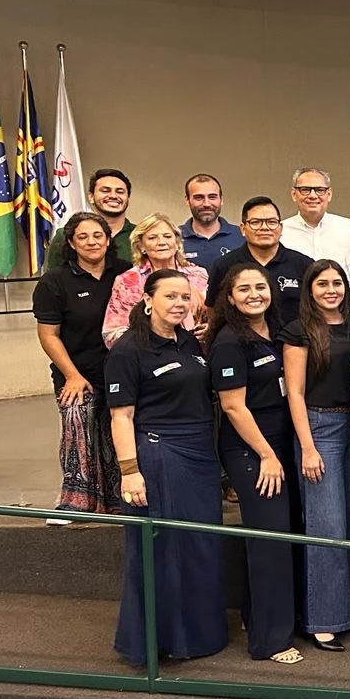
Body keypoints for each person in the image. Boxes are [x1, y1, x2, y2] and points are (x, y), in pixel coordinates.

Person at [105, 269, 226, 666]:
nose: (179, 303)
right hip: (160, 454)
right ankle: (158, 642)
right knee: (164, 550)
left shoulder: (187, 341)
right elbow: (121, 416)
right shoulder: (128, 350)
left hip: (200, 456)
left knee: (200, 546)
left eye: (185, 297)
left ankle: (198, 636)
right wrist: (130, 471)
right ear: (147, 300)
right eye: (170, 296)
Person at [206, 265, 301, 664]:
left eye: (260, 286)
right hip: (252, 451)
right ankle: (269, 641)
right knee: (270, 543)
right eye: (243, 289)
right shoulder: (230, 342)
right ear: (229, 297)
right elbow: (233, 407)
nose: (254, 294)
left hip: (279, 444)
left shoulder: (276, 330)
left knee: (280, 536)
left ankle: (256, 616)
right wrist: (266, 455)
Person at [281, 258, 350, 651]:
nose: (331, 290)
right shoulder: (299, 331)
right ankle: (324, 620)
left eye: (337, 283)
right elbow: (295, 393)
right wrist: (308, 447)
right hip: (319, 428)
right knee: (327, 527)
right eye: (322, 284)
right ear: (310, 290)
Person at [34, 213, 127, 517]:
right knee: (79, 425)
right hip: (76, 373)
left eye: (97, 235)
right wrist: (72, 376)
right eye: (82, 237)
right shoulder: (54, 281)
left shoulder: (125, 274)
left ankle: (119, 499)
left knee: (116, 434)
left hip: (121, 372)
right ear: (71, 243)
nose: (91, 242)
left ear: (108, 239)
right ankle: (77, 504)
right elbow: (48, 335)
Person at [101, 214, 210, 347]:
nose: (161, 242)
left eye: (167, 236)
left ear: (177, 242)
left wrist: (210, 328)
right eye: (152, 238)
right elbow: (111, 333)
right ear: (141, 246)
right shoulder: (127, 281)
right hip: (148, 353)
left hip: (196, 351)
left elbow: (213, 316)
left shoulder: (199, 275)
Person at [207, 197, 315, 326]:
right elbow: (213, 310)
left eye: (271, 222)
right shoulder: (224, 265)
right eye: (256, 222)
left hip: (293, 337)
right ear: (243, 229)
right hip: (239, 337)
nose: (264, 227)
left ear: (280, 228)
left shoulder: (304, 265)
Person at [44, 167, 135, 269]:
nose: (113, 196)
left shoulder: (141, 235)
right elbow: (53, 277)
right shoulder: (65, 235)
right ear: (91, 197)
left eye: (120, 192)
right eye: (105, 191)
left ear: (128, 198)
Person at [281, 167, 350, 265]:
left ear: (329, 194)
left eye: (320, 190)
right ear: (294, 194)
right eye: (305, 190)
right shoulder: (281, 232)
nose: (313, 196)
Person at [178, 174, 243, 269]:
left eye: (212, 197)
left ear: (221, 200)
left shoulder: (242, 236)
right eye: (199, 197)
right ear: (187, 200)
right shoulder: (174, 238)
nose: (206, 204)